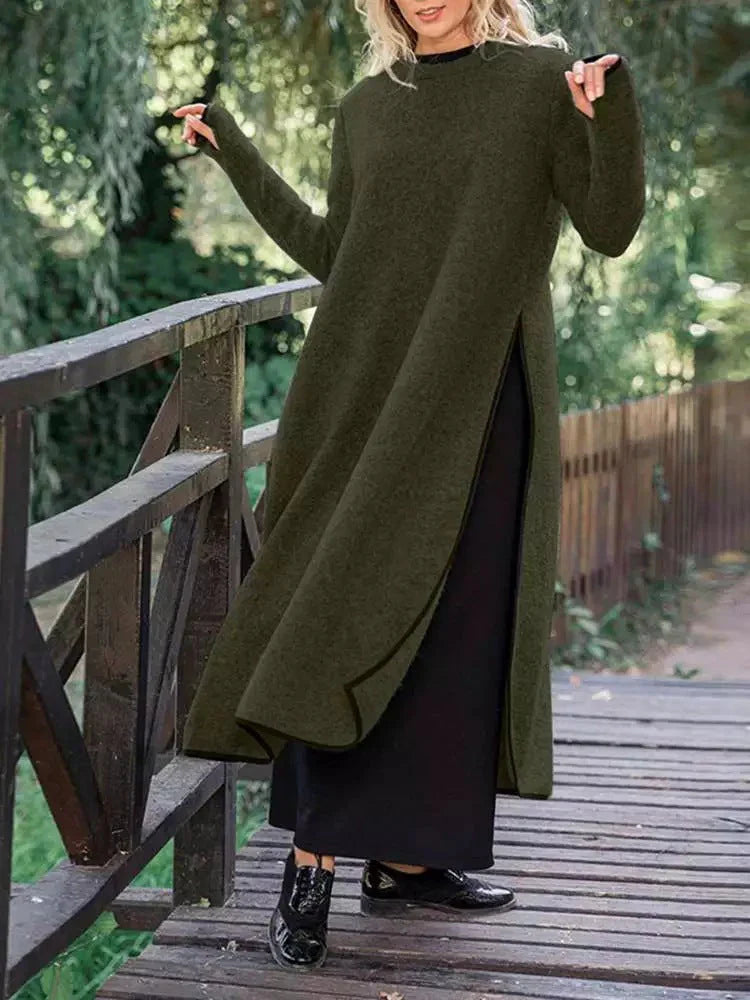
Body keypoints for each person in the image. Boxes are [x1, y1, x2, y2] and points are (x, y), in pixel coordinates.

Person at [174, 0, 646, 974]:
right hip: (368, 400)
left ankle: (406, 858)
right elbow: (337, 253)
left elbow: (609, 228)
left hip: (484, 399)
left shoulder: (540, 83)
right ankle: (311, 862)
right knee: (342, 610)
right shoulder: (367, 106)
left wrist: (611, 116)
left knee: (454, 638)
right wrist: (235, 151)